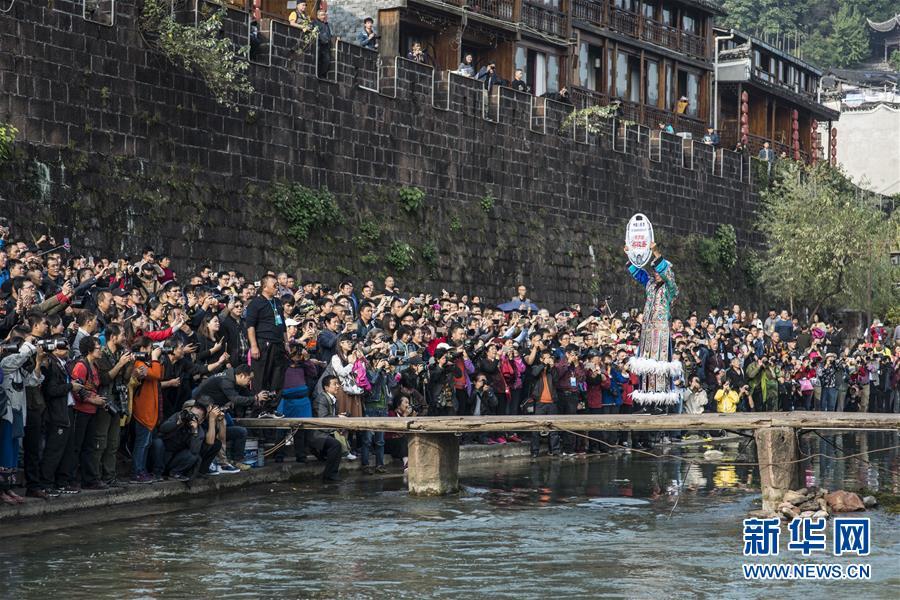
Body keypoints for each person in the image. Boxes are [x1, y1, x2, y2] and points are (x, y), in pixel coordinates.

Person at [625, 242, 679, 404]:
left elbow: (668, 274)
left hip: (661, 331)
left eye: (658, 271)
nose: (655, 274)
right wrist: (630, 255)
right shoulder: (650, 284)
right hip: (647, 330)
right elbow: (638, 273)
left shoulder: (671, 289)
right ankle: (648, 401)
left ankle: (660, 402)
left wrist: (655, 252)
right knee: (646, 364)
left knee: (660, 365)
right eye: (654, 271)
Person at [245, 274, 288, 415]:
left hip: (278, 344)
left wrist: (286, 342)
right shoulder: (256, 303)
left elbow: (283, 325)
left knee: (277, 377)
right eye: (274, 284)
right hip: (263, 344)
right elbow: (250, 326)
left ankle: (271, 408)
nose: (277, 287)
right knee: (261, 377)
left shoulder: (278, 302)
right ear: (264, 287)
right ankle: (259, 409)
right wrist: (254, 346)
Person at [157, 398, 223, 481]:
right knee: (157, 443)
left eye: (196, 417)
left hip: (175, 460)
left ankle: (175, 473)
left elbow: (194, 451)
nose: (191, 417)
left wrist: (194, 431)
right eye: (191, 414)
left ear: (201, 421)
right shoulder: (179, 416)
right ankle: (156, 473)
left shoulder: (199, 430)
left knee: (193, 455)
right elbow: (163, 429)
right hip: (162, 455)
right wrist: (178, 422)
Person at [312, 9, 333, 78]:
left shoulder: (326, 24)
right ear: (318, 16)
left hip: (326, 46)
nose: (323, 16)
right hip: (319, 44)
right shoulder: (315, 22)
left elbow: (329, 34)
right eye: (322, 15)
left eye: (324, 15)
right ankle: (317, 75)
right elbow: (315, 32)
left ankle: (322, 75)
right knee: (317, 60)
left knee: (327, 61)